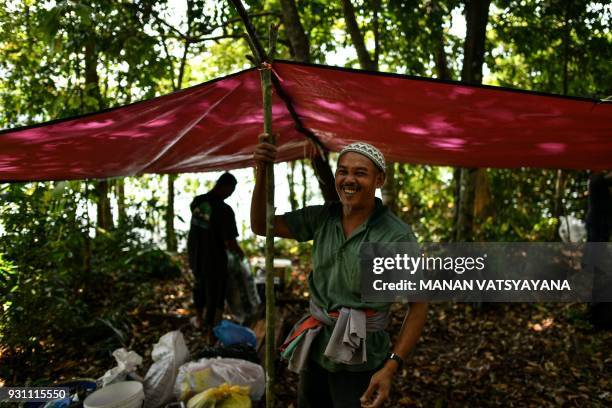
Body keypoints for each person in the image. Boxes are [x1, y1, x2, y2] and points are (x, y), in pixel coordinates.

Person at [252, 138, 428, 408]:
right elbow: (262, 225)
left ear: (379, 179)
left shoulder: (396, 236)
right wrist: (263, 170)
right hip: (318, 349)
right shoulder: (323, 218)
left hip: (362, 359)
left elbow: (418, 307)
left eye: (360, 173)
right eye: (343, 171)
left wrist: (391, 366)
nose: (349, 179)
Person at [188, 172, 244, 339]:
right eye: (232, 190)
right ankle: (211, 332)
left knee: (199, 286)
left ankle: (199, 319)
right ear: (226, 187)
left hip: (195, 254)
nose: (231, 193)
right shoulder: (224, 210)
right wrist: (240, 253)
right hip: (214, 259)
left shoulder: (197, 201)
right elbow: (229, 242)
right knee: (215, 294)